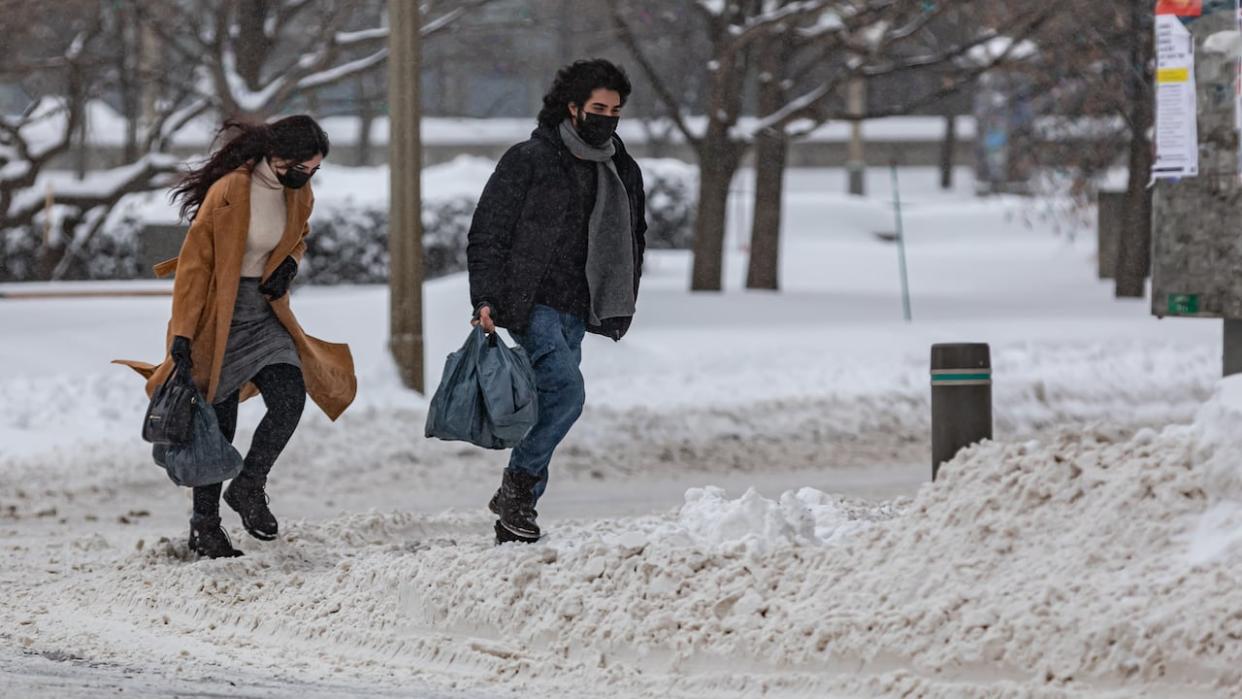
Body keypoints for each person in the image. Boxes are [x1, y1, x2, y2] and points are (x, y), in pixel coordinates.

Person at [117, 115, 357, 559]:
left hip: (265, 313)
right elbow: (194, 266)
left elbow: (297, 237)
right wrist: (184, 335)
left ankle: (249, 486)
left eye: (316, 170)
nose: (310, 176)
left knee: (290, 397)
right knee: (216, 424)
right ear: (280, 158)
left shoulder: (299, 192)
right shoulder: (229, 191)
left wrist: (289, 264)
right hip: (217, 315)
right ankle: (204, 527)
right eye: (305, 167)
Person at [467, 59, 647, 543]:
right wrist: (484, 296)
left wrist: (621, 292)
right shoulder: (530, 159)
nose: (607, 117)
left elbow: (634, 233)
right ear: (572, 107)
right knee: (567, 393)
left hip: (578, 307)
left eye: (615, 109)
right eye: (597, 107)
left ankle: (514, 513)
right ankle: (520, 488)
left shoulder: (620, 167)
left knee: (552, 398)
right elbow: (489, 231)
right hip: (533, 302)